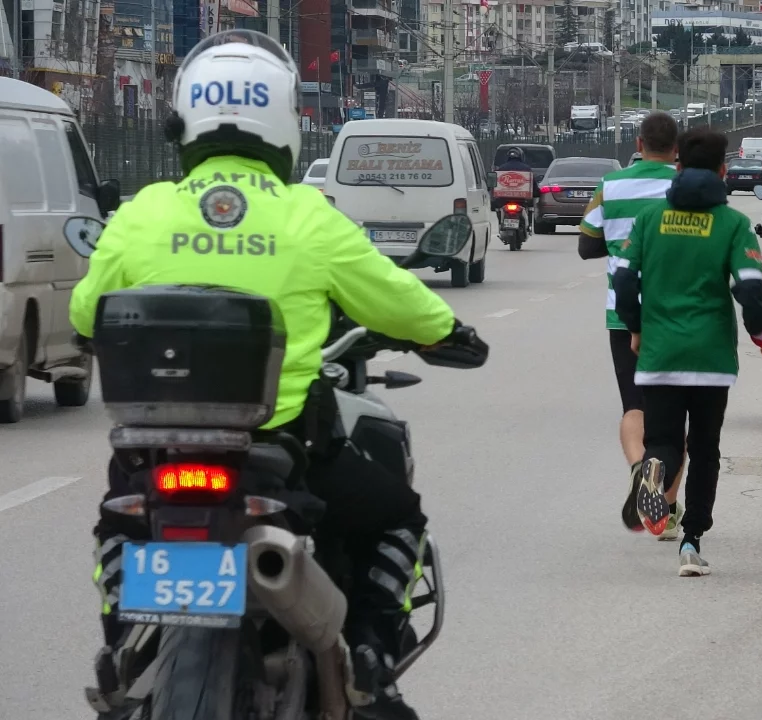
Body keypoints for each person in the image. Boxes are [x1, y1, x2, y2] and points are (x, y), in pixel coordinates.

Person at [71, 31, 460, 720]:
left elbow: (83, 313)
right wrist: (452, 334)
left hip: (152, 456)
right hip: (285, 450)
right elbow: (406, 303)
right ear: (285, 125)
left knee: (117, 524)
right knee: (398, 515)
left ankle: (121, 637)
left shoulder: (143, 212)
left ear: (182, 120)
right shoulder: (309, 216)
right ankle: (369, 657)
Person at [613, 127, 762, 576]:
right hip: (710, 359)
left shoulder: (649, 219)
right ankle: (691, 541)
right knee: (705, 449)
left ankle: (653, 469)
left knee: (663, 441)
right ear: (724, 171)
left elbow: (624, 280)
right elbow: (749, 289)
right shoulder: (732, 224)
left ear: (678, 167)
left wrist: (636, 327)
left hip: (660, 354)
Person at [578, 113, 688, 540]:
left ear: (639, 143)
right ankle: (670, 509)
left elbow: (587, 245)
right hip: (677, 314)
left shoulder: (611, 185)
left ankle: (641, 467)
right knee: (677, 416)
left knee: (634, 406)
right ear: (676, 148)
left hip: (623, 315)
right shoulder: (683, 185)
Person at [492, 147, 541, 234]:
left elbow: (495, 184)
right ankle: (529, 226)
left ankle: (500, 224)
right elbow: (532, 185)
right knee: (530, 207)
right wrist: (537, 193)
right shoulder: (526, 169)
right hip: (522, 199)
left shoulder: (501, 169)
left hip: (504, 199)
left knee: (497, 208)